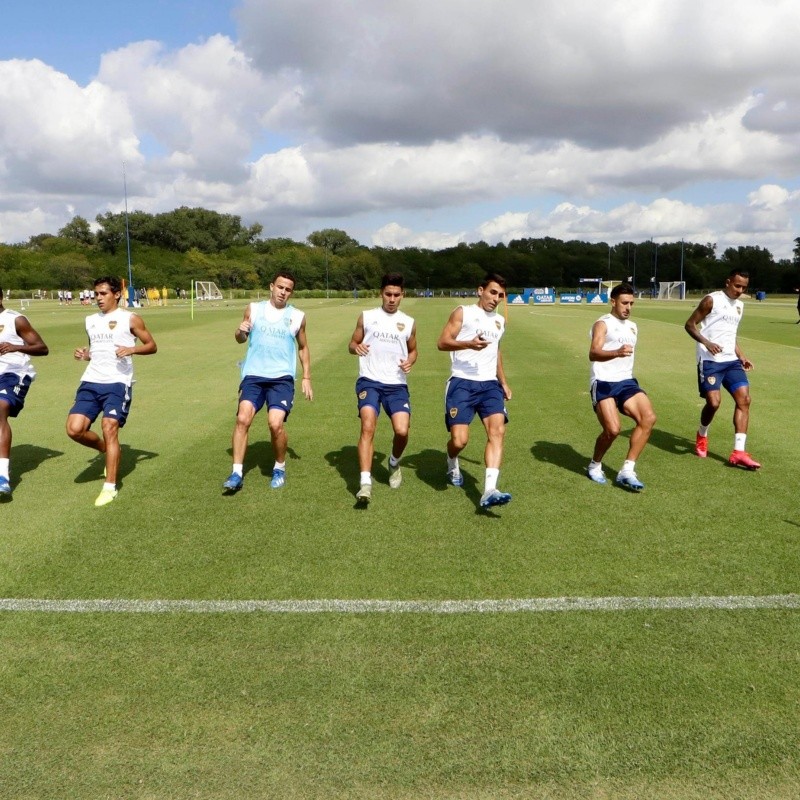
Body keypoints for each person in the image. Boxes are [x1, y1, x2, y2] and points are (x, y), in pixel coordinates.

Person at [66, 276, 158, 506]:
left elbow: (152, 346)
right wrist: (84, 354)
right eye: (96, 294)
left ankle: (110, 487)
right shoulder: (90, 320)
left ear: (116, 294)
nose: (98, 298)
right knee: (74, 430)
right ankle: (105, 450)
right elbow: (96, 349)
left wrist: (132, 349)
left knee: (109, 427)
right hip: (90, 380)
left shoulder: (131, 318)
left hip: (118, 383)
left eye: (103, 293)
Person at [223, 270, 312, 492]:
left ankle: (279, 466)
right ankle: (236, 473)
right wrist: (240, 331)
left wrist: (307, 377)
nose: (283, 292)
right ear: (271, 286)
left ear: (292, 292)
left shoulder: (297, 316)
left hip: (281, 378)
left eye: (288, 289)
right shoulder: (254, 309)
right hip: (253, 375)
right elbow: (240, 338)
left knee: (275, 424)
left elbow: (303, 347)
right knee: (243, 419)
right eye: (280, 287)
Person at [437, 273, 512, 509]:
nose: (496, 298)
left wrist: (503, 381)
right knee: (459, 441)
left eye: (500, 295)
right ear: (480, 290)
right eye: (492, 292)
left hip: (490, 384)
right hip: (462, 382)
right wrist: (468, 343)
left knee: (497, 432)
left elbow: (496, 351)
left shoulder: (499, 321)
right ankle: (451, 460)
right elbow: (442, 342)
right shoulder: (463, 312)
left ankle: (490, 489)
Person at [348, 272, 417, 504]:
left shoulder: (408, 322)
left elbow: (414, 349)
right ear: (381, 293)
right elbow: (352, 343)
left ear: (402, 295)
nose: (392, 299)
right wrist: (355, 348)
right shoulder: (366, 317)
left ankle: (394, 463)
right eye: (388, 294)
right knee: (368, 425)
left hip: (396, 384)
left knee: (402, 431)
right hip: (369, 380)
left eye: (396, 295)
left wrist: (411, 360)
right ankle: (365, 483)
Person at [684, 268, 760, 469]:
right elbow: (690, 325)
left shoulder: (740, 306)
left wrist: (741, 356)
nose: (740, 290)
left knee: (744, 400)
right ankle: (702, 434)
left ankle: (739, 452)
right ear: (728, 282)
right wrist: (707, 343)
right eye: (737, 285)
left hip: (731, 361)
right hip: (710, 361)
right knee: (714, 403)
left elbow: (730, 335)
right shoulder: (711, 300)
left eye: (744, 287)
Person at [586, 283, 656, 491]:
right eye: (624, 303)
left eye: (631, 303)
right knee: (613, 430)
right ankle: (595, 464)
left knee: (648, 418)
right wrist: (616, 352)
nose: (628, 307)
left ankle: (627, 470)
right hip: (604, 381)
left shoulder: (633, 326)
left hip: (625, 381)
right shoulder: (602, 323)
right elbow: (593, 353)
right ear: (613, 301)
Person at [0, 287, 49, 495]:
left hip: (14, 373)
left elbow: (42, 348)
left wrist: (15, 347)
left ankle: (3, 476)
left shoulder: (15, 319)